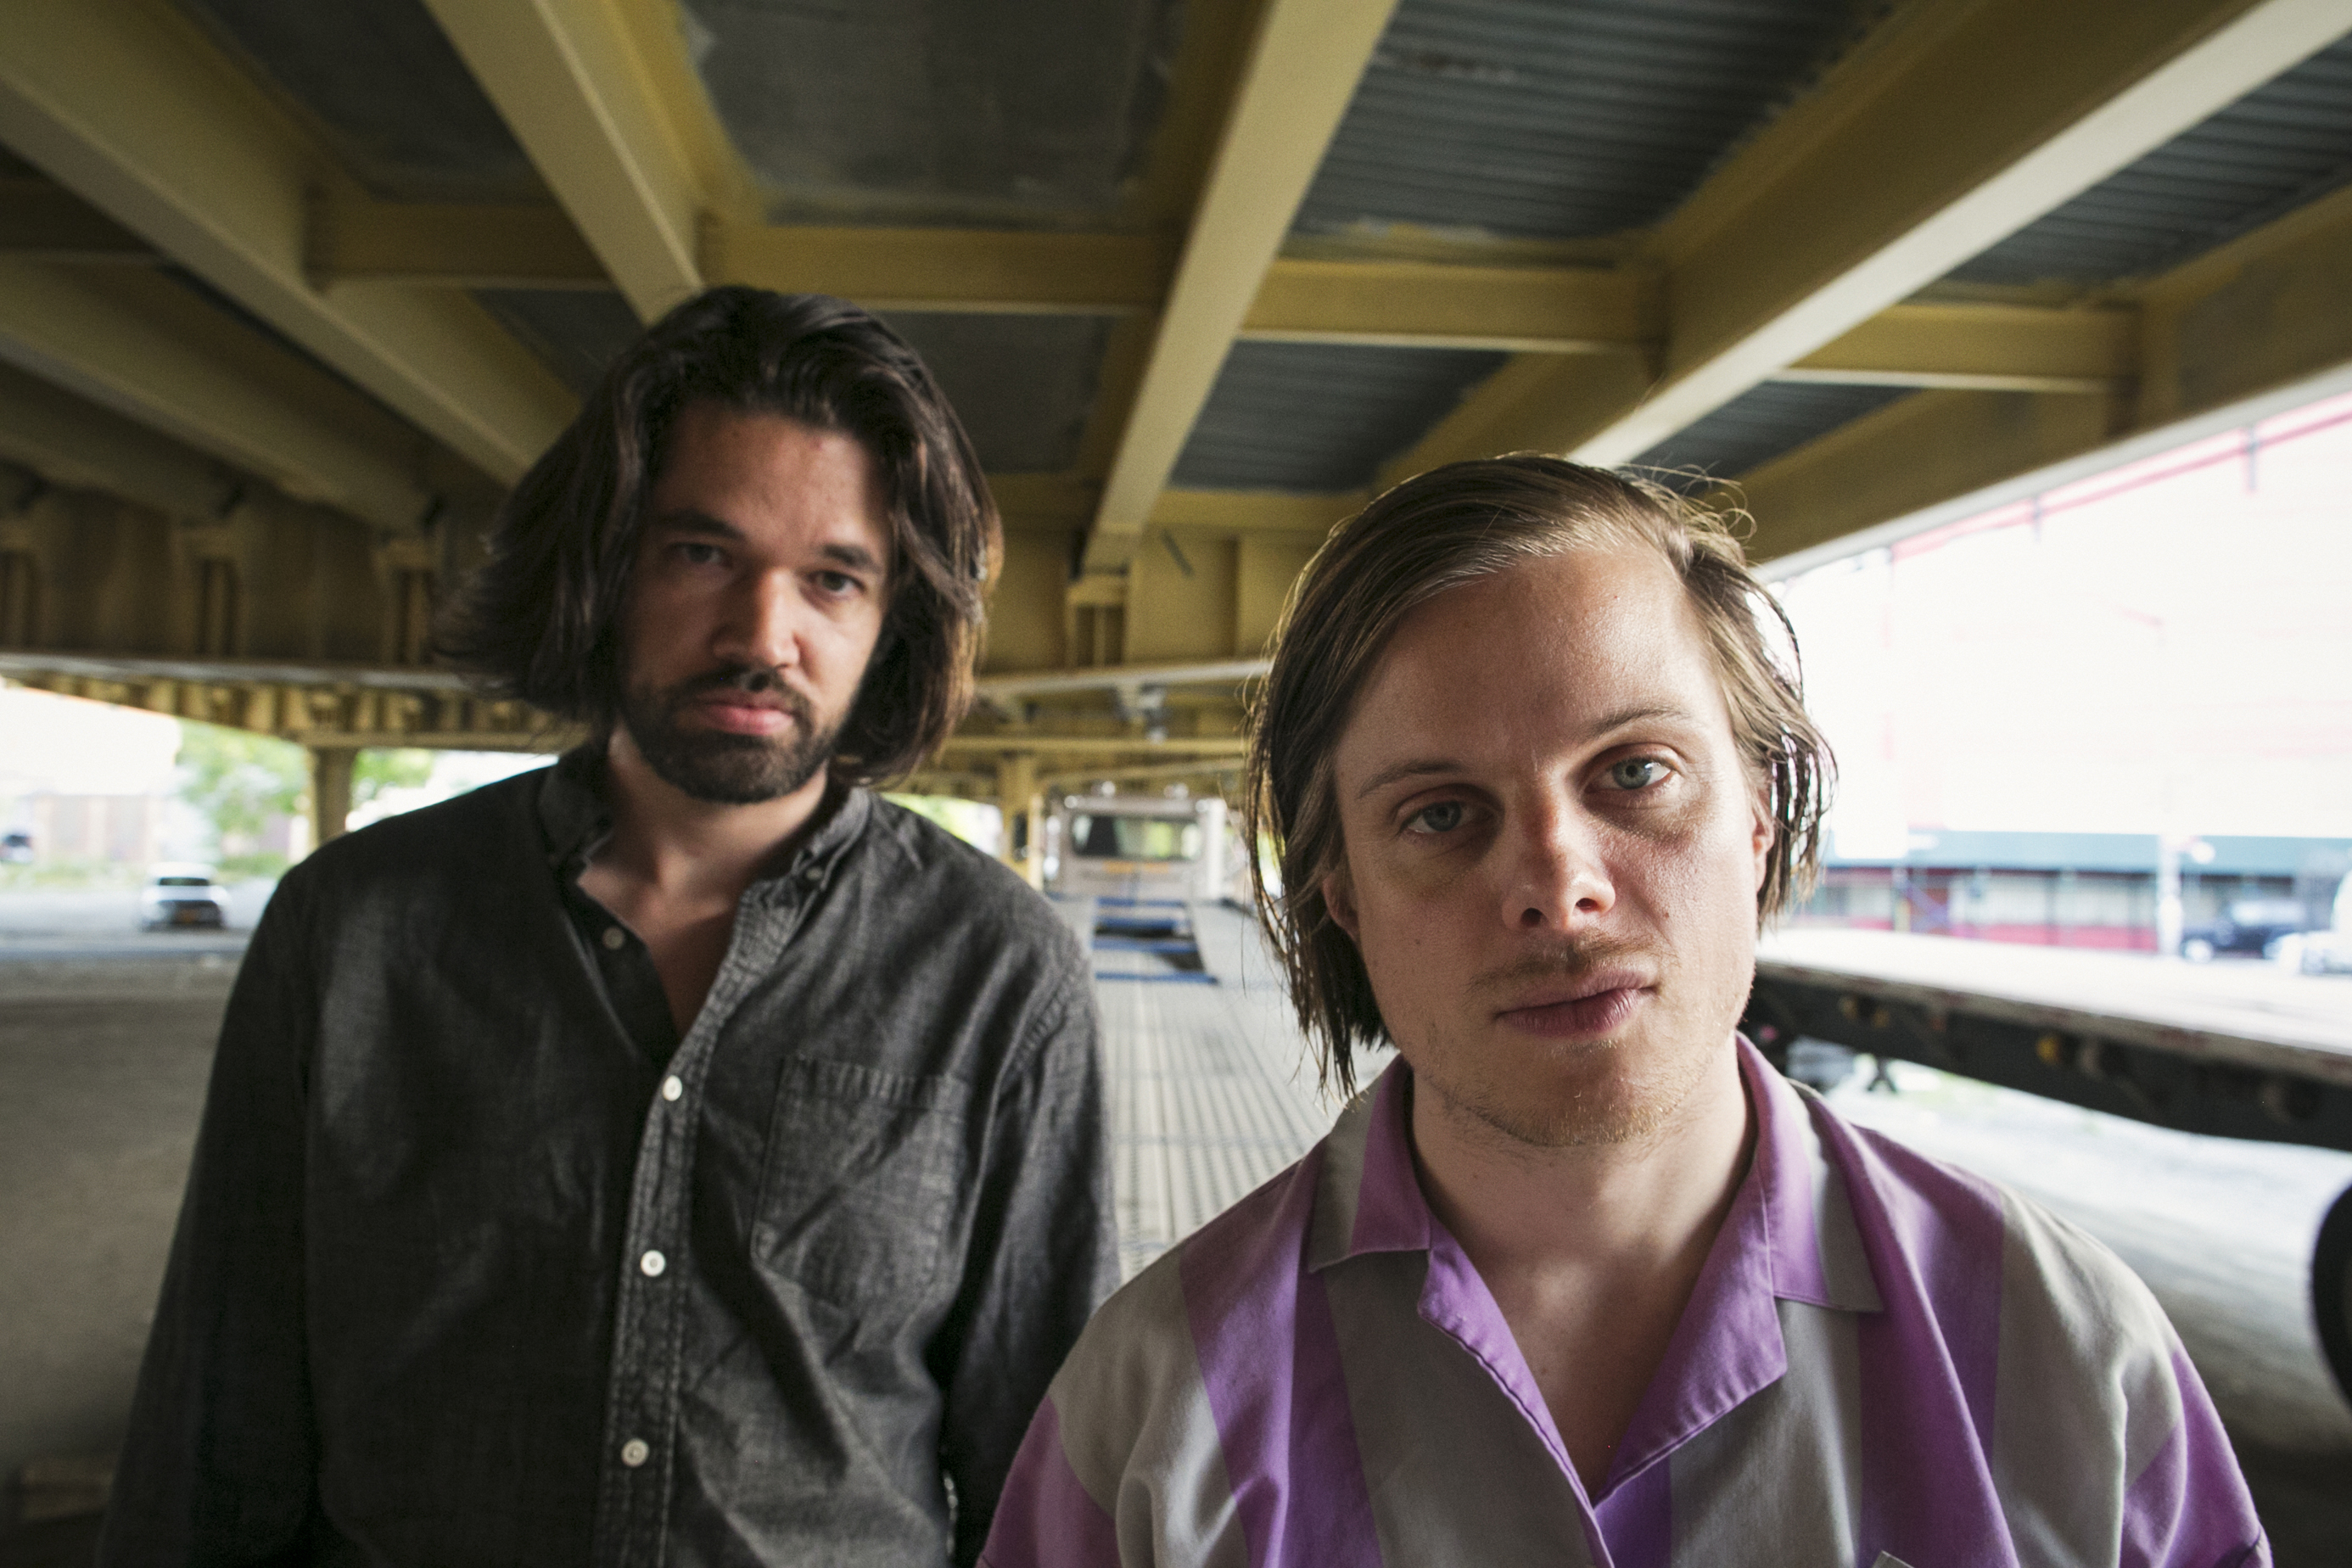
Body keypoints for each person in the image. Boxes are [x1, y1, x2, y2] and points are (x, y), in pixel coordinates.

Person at [982, 459, 2266, 1567]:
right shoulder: (1151, 1414)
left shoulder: (2068, 1358)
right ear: (1346, 900)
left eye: (1636, 772)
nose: (1557, 885)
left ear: (1758, 817)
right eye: (1441, 814)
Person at [102, 288, 1117, 1567]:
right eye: (702, 554)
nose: (763, 634)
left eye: (832, 578)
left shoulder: (998, 973)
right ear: (605, 571)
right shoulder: (351, 931)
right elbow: (216, 1421)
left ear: (889, 620)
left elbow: (1047, 1484)